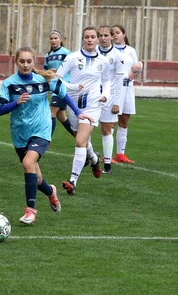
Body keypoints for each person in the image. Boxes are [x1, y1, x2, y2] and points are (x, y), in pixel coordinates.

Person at [0, 46, 88, 224]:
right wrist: (16, 102)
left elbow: (64, 94)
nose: (25, 64)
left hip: (41, 130)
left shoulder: (44, 79)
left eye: (29, 61)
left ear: (33, 62)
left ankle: (31, 211)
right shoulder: (9, 83)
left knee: (28, 163)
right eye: (22, 61)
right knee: (36, 177)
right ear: (16, 62)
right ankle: (51, 192)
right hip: (20, 133)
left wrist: (78, 113)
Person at [57, 26, 109, 195]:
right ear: (83, 39)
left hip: (93, 106)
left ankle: (73, 181)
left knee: (80, 140)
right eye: (87, 37)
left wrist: (105, 95)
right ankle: (94, 159)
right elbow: (56, 78)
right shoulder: (72, 58)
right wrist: (72, 86)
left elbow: (107, 81)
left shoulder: (103, 61)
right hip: (73, 105)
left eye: (93, 37)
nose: (90, 39)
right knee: (81, 139)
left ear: (97, 39)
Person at [111, 24, 143, 164]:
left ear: (123, 34)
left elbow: (136, 69)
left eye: (118, 32)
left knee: (124, 122)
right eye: (113, 33)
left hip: (128, 88)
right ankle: (108, 155)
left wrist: (138, 67)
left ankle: (120, 154)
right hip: (114, 89)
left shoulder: (131, 50)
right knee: (111, 122)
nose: (115, 35)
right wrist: (124, 75)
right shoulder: (110, 51)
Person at [97, 25, 123, 174]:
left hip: (110, 97)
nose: (103, 38)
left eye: (106, 35)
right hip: (93, 96)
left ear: (112, 37)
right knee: (84, 128)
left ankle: (107, 164)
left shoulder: (118, 56)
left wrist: (117, 102)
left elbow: (119, 79)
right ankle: (91, 157)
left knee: (106, 129)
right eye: (100, 35)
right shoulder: (93, 52)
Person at [43, 30, 75, 138]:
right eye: (51, 38)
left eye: (55, 38)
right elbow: (45, 72)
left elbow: (73, 68)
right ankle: (83, 142)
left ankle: (46, 140)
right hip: (54, 89)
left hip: (63, 87)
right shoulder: (48, 55)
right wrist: (49, 73)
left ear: (60, 40)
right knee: (61, 116)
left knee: (51, 112)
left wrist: (59, 71)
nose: (53, 40)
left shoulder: (67, 53)